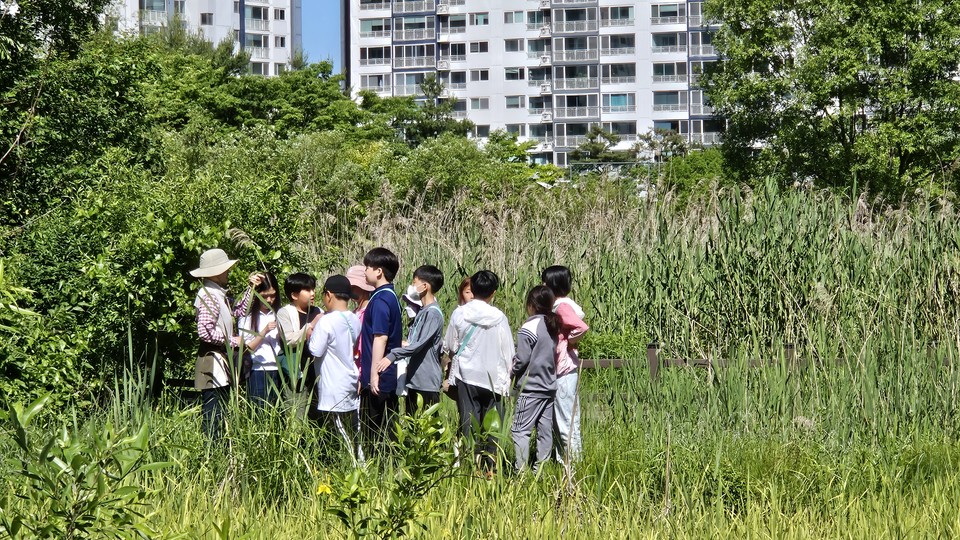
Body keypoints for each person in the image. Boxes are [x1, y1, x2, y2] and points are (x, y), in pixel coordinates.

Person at [443, 270, 514, 472]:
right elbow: (508, 351)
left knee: (469, 422)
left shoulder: (460, 313)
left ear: (472, 289)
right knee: (493, 425)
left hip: (467, 375)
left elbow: (450, 344)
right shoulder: (499, 317)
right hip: (494, 379)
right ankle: (490, 468)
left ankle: (470, 466)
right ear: (493, 292)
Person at [190, 248, 258, 440]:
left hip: (220, 361)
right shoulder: (208, 295)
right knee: (213, 415)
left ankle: (216, 455)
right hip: (213, 362)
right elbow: (204, 332)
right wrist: (232, 341)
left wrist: (250, 289)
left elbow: (238, 311)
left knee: (219, 413)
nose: (228, 272)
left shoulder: (217, 294)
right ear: (217, 272)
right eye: (225, 269)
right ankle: (212, 456)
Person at [308, 275, 364, 464]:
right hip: (350, 377)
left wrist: (310, 330)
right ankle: (359, 461)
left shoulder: (326, 321)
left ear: (329, 295)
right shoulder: (354, 319)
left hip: (332, 381)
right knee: (352, 426)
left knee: (337, 428)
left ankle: (350, 464)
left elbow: (315, 349)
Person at [542, 265, 589, 462]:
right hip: (561, 369)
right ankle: (565, 461)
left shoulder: (561, 306)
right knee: (561, 418)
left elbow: (581, 327)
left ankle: (572, 464)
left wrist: (568, 341)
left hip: (564, 369)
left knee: (565, 419)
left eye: (545, 281)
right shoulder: (559, 305)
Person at [511, 285, 559, 472]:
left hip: (530, 387)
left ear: (531, 304)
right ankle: (541, 469)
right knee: (544, 430)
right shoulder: (552, 324)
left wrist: (512, 371)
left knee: (520, 430)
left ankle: (520, 471)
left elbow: (522, 359)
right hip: (548, 386)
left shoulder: (529, 327)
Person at [360, 247, 403, 450]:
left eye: (367, 267)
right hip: (387, 374)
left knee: (374, 430)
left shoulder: (380, 300)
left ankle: (377, 471)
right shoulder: (390, 296)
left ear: (378, 271)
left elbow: (380, 337)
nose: (364, 271)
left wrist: (374, 373)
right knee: (388, 426)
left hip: (380, 376)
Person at [386, 265, 445, 413]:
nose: (412, 286)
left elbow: (418, 345)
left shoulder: (433, 314)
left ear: (424, 286)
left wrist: (393, 355)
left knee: (428, 428)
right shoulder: (423, 311)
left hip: (426, 382)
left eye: (414, 282)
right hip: (415, 380)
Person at [276, 272, 323, 409]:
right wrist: (310, 325)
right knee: (297, 411)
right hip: (295, 372)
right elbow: (289, 340)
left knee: (316, 412)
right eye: (307, 290)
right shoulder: (285, 313)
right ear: (294, 295)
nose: (313, 293)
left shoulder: (318, 310)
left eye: (313, 289)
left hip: (316, 371)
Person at [238, 272, 282, 408]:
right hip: (257, 371)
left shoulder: (279, 314)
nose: (269, 300)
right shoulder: (247, 317)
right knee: (259, 412)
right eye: (264, 296)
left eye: (273, 295)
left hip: (278, 370)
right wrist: (264, 332)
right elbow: (247, 347)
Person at [442, 277, 474, 399]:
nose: (471, 296)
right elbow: (450, 343)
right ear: (461, 294)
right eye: (467, 292)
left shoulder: (459, 313)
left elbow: (449, 344)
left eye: (473, 292)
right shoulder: (458, 312)